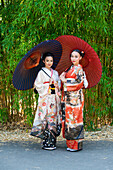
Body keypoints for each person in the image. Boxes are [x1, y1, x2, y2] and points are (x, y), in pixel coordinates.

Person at [30, 52, 61, 150]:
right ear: (43, 61)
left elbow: (59, 85)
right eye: (47, 61)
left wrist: (56, 85)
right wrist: (48, 85)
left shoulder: (55, 73)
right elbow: (37, 86)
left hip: (54, 99)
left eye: (51, 61)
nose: (49, 63)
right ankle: (46, 142)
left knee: (53, 118)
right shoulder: (41, 73)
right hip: (46, 98)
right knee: (46, 118)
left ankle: (53, 141)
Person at [60, 49, 88, 152]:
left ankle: (76, 145)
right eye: (72, 56)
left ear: (80, 58)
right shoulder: (70, 68)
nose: (73, 58)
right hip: (68, 98)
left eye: (76, 56)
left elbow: (78, 83)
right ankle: (70, 144)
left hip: (76, 99)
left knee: (75, 120)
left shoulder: (79, 69)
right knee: (69, 120)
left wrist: (64, 80)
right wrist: (62, 77)